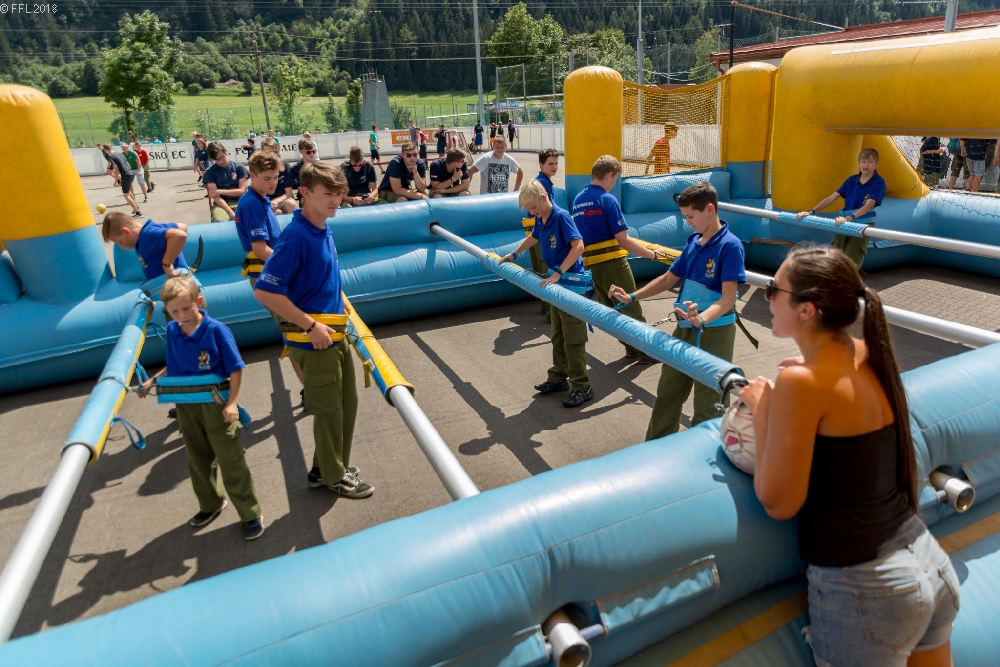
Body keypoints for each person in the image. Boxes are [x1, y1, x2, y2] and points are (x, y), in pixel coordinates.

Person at [739, 245, 958, 667]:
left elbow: (779, 502)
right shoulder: (867, 352)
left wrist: (764, 409)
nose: (766, 297)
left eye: (772, 289)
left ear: (807, 309)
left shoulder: (803, 383)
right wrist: (806, 371)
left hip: (869, 587)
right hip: (927, 562)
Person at [254, 161, 373, 498]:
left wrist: (340, 297)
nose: (335, 200)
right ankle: (334, 476)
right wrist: (309, 326)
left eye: (339, 194)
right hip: (316, 340)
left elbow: (322, 274)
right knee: (329, 410)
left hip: (335, 331)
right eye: (327, 194)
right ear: (305, 193)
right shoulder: (296, 237)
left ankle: (327, 466)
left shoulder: (322, 227)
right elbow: (265, 291)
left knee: (346, 404)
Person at [609, 181, 744, 439]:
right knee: (669, 390)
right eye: (685, 217)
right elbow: (667, 279)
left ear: (710, 209)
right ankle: (656, 447)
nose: (688, 222)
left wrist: (702, 319)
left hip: (714, 332)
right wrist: (632, 296)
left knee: (709, 402)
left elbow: (728, 298)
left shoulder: (730, 245)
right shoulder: (693, 241)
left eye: (691, 217)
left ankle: (703, 457)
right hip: (685, 327)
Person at [137, 277, 265, 541]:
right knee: (197, 458)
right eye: (174, 311)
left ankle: (251, 513)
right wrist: (152, 381)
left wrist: (232, 403)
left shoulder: (216, 330)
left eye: (186, 308)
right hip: (186, 405)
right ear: (166, 310)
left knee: (230, 458)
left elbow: (236, 369)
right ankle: (211, 503)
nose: (181, 315)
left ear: (198, 301)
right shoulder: (173, 331)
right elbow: (174, 365)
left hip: (215, 404)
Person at [499, 180, 593, 408]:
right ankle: (558, 377)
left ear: (543, 198)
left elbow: (579, 246)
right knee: (558, 334)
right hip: (555, 284)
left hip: (570, 284)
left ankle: (582, 386)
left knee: (573, 338)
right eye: (529, 210)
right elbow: (534, 237)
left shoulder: (561, 217)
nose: (532, 212)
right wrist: (514, 254)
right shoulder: (541, 218)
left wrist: (559, 272)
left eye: (533, 207)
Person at [574, 155, 663, 364]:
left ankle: (631, 348)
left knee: (611, 309)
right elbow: (624, 240)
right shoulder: (607, 200)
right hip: (613, 262)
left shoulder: (578, 201)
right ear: (609, 175)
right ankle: (645, 352)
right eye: (615, 179)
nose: (614, 184)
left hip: (592, 265)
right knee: (629, 306)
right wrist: (652, 254)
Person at [235, 151, 307, 390]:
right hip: (269, 277)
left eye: (276, 177)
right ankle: (308, 387)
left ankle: (309, 384)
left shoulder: (261, 199)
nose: (273, 183)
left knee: (294, 327)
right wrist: (292, 268)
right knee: (293, 329)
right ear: (252, 176)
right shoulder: (252, 204)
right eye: (267, 178)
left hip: (271, 275)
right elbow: (260, 248)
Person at [795, 148, 885, 269]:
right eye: (863, 162)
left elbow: (869, 205)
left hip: (862, 224)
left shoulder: (878, 182)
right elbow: (831, 198)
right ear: (858, 163)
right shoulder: (851, 180)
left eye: (870, 162)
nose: (866, 165)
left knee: (851, 261)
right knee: (835, 256)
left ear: (876, 164)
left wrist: (850, 217)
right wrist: (811, 211)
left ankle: (849, 280)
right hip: (843, 222)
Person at [203, 142, 250, 222]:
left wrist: (219, 191)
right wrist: (230, 212)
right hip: (221, 204)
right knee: (219, 221)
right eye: (217, 160)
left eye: (222, 157)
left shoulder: (239, 168)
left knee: (249, 218)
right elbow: (215, 195)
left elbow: (242, 191)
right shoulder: (210, 172)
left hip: (241, 201)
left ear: (225, 151)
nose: (221, 162)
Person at [101, 144, 142, 218]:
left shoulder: (111, 156)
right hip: (130, 173)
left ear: (105, 150)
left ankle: (138, 213)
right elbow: (127, 163)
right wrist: (128, 171)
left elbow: (116, 168)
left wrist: (116, 180)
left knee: (126, 195)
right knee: (128, 192)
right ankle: (136, 207)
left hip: (125, 175)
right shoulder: (119, 154)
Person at [260, 137, 297, 214]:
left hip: (281, 200)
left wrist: (275, 202)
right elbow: (258, 193)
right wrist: (271, 207)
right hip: (264, 202)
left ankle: (297, 222)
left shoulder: (285, 166)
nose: (272, 155)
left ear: (277, 150)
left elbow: (289, 193)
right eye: (267, 153)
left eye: (274, 152)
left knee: (291, 203)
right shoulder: (259, 169)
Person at [288, 139, 319, 204]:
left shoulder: (319, 167)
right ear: (301, 151)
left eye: (314, 151)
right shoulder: (296, 169)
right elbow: (300, 188)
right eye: (308, 152)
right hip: (305, 196)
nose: (312, 154)